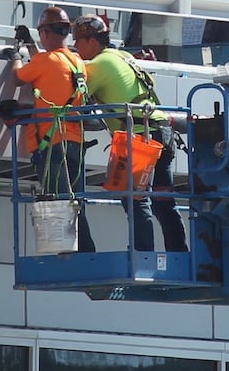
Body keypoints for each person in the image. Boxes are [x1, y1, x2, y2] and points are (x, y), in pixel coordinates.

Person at [71, 14, 186, 253]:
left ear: (91, 41)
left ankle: (142, 255)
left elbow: (74, 101)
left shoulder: (97, 65)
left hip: (139, 138)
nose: (75, 47)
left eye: (78, 41)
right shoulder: (122, 56)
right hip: (162, 132)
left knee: (135, 199)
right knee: (164, 202)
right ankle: (178, 253)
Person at [12, 6, 95, 253]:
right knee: (75, 201)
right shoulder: (76, 61)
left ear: (46, 34)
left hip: (51, 146)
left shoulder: (45, 61)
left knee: (59, 202)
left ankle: (77, 253)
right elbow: (47, 66)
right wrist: (29, 45)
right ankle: (85, 251)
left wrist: (15, 54)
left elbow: (19, 77)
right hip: (74, 143)